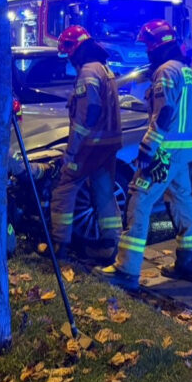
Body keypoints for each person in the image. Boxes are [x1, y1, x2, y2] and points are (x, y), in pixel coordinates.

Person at [105, 20, 192, 292]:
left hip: (164, 151)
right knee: (182, 205)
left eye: (148, 45)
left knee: (138, 200)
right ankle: (188, 264)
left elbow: (165, 113)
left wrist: (148, 148)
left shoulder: (166, 71)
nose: (146, 51)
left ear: (157, 46)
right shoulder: (185, 70)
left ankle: (126, 269)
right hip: (181, 153)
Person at [48, 25, 123, 262]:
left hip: (91, 145)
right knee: (103, 191)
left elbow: (87, 114)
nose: (69, 58)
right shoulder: (103, 68)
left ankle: (60, 246)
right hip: (109, 143)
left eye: (68, 51)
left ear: (75, 48)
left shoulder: (88, 72)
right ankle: (110, 243)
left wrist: (71, 154)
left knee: (64, 188)